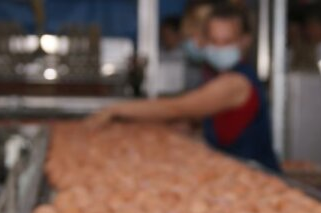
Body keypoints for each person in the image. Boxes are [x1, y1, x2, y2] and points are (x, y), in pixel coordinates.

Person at [87, 4, 279, 172]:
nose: (219, 48)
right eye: (213, 40)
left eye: (227, 41)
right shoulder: (219, 77)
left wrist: (116, 110)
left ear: (244, 41)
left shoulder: (236, 83)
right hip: (235, 169)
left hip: (256, 173)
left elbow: (178, 107)